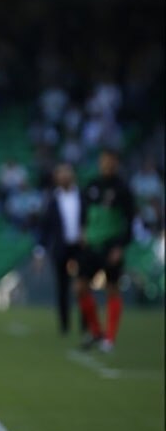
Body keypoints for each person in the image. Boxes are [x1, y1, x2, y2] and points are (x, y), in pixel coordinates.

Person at [78, 149, 136, 353]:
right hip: (91, 245)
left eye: (110, 161)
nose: (106, 165)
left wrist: (120, 246)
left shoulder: (123, 189)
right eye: (103, 161)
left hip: (111, 245)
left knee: (112, 289)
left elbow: (129, 222)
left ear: (116, 163)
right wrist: (83, 232)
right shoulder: (92, 185)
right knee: (80, 287)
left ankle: (109, 338)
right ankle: (96, 331)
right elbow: (84, 213)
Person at [35, 163, 84, 336]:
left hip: (81, 247)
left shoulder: (83, 196)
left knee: (83, 285)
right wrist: (40, 251)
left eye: (65, 173)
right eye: (59, 173)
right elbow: (45, 227)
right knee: (62, 287)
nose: (62, 177)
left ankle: (86, 325)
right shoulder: (52, 199)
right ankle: (65, 326)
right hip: (61, 248)